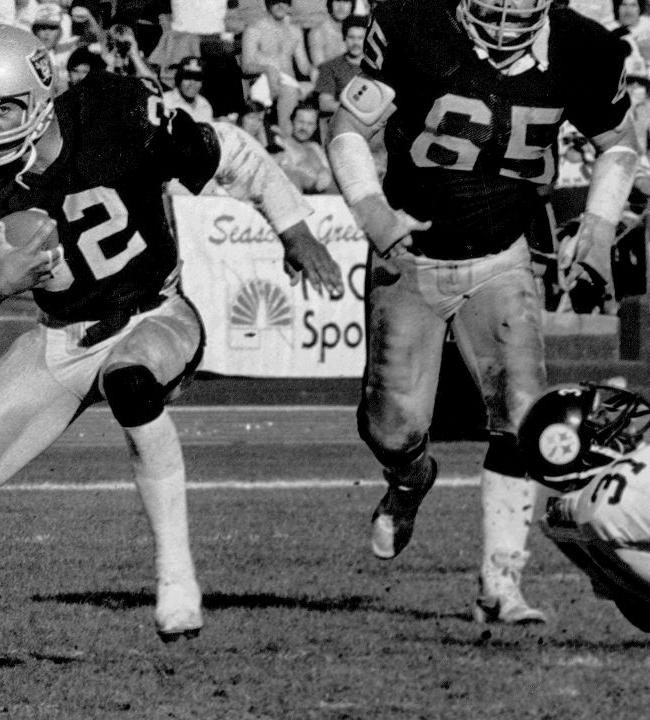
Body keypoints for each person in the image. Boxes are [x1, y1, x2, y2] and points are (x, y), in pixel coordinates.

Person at [0, 26, 343, 668]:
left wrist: (293, 229)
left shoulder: (112, 109)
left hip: (154, 313)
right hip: (62, 336)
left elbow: (234, 155)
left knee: (131, 381)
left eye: (0, 108)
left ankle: (176, 575)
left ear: (42, 97)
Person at [325, 0, 640, 623]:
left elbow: (620, 145)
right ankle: (409, 482)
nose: (501, 21)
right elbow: (344, 128)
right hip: (410, 253)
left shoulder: (587, 47)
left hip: (503, 255)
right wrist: (373, 214)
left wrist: (600, 222)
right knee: (393, 428)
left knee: (524, 419)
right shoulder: (414, 20)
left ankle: (501, 586)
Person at [517, 383, 650, 631]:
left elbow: (640, 612)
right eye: (599, 418)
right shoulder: (631, 481)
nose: (614, 420)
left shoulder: (558, 518)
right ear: (568, 445)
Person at [240, 0, 313, 138]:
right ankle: (287, 141)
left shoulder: (294, 30)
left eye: (284, 1)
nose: (280, 5)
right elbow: (246, 66)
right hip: (263, 83)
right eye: (275, 1)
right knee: (290, 92)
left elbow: (304, 67)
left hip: (289, 82)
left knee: (313, 89)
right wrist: (268, 70)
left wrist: (317, 73)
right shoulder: (254, 29)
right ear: (267, 3)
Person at [314, 14, 368, 117]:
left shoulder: (377, 66)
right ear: (344, 38)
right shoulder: (330, 67)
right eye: (351, 37)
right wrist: (357, 110)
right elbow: (325, 104)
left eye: (360, 38)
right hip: (343, 119)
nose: (356, 43)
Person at [275, 102, 334, 193]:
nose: (304, 128)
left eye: (310, 124)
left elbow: (327, 173)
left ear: (315, 127)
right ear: (292, 121)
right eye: (300, 122)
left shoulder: (316, 148)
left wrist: (325, 172)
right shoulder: (281, 144)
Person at [162, 56, 214, 122]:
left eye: (197, 78)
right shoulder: (165, 101)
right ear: (179, 78)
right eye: (187, 77)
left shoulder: (204, 105)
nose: (192, 83)